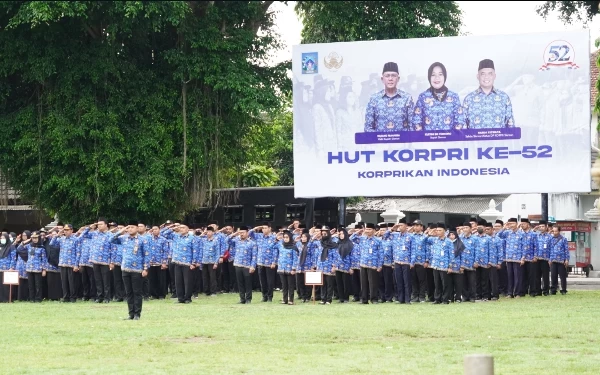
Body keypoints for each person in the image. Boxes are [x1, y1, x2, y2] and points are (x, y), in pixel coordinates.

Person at [111, 223, 149, 320]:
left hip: (137, 269)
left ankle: (137, 314)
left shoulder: (142, 239)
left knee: (137, 292)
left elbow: (147, 255)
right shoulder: (124, 238)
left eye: (132, 227)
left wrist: (145, 268)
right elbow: (111, 239)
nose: (130, 229)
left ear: (137, 228)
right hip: (125, 268)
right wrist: (122, 230)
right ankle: (131, 313)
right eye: (129, 227)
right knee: (128, 292)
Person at [462, 59, 515, 129]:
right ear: (478, 76)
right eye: (483, 74)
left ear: (494, 76)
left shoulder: (504, 97)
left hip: (499, 140)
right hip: (475, 140)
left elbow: (510, 124)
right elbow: (463, 125)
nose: (486, 77)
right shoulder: (469, 99)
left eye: (490, 74)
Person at [411, 62, 465, 131]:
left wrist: (451, 138)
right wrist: (423, 138)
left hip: (449, 140)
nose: (437, 78)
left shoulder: (453, 96)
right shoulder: (423, 97)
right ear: (429, 77)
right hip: (427, 140)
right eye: (433, 75)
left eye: (440, 74)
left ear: (444, 76)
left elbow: (460, 120)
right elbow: (416, 121)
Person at [364, 62, 414, 132]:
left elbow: (412, 127)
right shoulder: (374, 99)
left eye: (393, 75)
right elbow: (368, 128)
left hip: (402, 142)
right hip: (379, 142)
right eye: (387, 76)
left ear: (398, 79)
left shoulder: (407, 98)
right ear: (382, 79)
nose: (390, 79)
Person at [49, 224, 87, 303]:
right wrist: (57, 235)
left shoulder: (75, 239)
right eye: (65, 230)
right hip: (63, 263)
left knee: (72, 282)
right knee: (64, 281)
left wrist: (76, 265)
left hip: (71, 264)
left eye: (67, 230)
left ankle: (73, 297)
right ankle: (65, 297)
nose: (65, 231)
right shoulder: (62, 239)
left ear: (71, 230)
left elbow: (78, 253)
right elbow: (51, 244)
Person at [352, 223, 383, 304]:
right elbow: (352, 238)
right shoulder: (362, 239)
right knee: (363, 283)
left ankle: (374, 299)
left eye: (369, 229)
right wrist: (359, 231)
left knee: (373, 283)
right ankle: (364, 299)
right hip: (363, 263)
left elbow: (381, 253)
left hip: (373, 264)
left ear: (373, 230)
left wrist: (380, 265)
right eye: (367, 229)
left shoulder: (378, 240)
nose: (368, 231)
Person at [249, 223, 277, 303]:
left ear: (270, 228)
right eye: (263, 228)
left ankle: (269, 296)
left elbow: (275, 250)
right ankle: (264, 296)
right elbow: (250, 233)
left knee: (270, 281)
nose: (263, 229)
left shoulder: (273, 237)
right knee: (262, 281)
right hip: (260, 262)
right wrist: (257, 227)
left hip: (269, 262)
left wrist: (274, 262)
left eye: (265, 228)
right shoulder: (259, 236)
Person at [229, 226, 258, 304]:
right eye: (240, 232)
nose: (241, 234)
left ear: (247, 233)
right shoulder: (236, 241)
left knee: (248, 283)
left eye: (243, 232)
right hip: (238, 264)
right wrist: (235, 234)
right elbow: (227, 240)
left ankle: (248, 299)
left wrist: (253, 266)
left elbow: (254, 256)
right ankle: (242, 299)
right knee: (240, 283)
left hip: (247, 265)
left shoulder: (252, 243)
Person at [17, 231, 48, 303]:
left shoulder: (42, 248)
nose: (34, 239)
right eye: (33, 238)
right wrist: (26, 241)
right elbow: (19, 249)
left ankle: (38, 298)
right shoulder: (29, 246)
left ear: (39, 238)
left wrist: (44, 269)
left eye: (36, 238)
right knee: (30, 284)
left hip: (38, 268)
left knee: (38, 285)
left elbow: (44, 259)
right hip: (29, 268)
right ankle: (32, 298)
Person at [426, 223, 453, 304]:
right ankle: (437, 299)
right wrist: (429, 233)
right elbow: (424, 241)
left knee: (445, 283)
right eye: (437, 230)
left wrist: (450, 266)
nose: (438, 232)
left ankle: (445, 299)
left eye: (440, 230)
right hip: (435, 265)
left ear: (445, 231)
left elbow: (451, 255)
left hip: (444, 265)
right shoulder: (434, 240)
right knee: (437, 283)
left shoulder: (448, 241)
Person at [498, 218, 524, 298]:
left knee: (517, 276)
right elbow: (498, 236)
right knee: (509, 276)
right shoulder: (507, 233)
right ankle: (510, 293)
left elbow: (524, 246)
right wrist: (504, 227)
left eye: (512, 223)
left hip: (517, 258)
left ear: (516, 224)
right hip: (508, 258)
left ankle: (517, 293)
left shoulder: (521, 234)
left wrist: (523, 257)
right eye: (510, 224)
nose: (511, 225)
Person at [315, 226, 341, 305]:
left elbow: (336, 256)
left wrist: (334, 266)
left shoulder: (333, 243)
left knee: (330, 284)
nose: (324, 234)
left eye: (325, 233)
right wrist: (317, 266)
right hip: (321, 266)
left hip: (329, 266)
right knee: (322, 284)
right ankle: (323, 299)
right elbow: (317, 255)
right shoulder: (320, 243)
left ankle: (328, 299)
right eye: (322, 233)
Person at [390, 219, 412, 304]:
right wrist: (393, 229)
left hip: (406, 262)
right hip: (397, 261)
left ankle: (407, 299)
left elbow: (413, 249)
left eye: (401, 225)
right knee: (398, 281)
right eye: (399, 225)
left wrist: (412, 262)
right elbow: (385, 235)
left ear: (406, 226)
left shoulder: (410, 236)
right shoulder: (395, 235)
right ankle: (400, 298)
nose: (400, 227)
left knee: (406, 281)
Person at [274, 230, 298, 305]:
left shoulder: (293, 247)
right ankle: (284, 299)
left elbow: (295, 259)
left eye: (287, 237)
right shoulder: (280, 245)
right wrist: (277, 239)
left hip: (290, 268)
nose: (285, 239)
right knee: (284, 285)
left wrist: (294, 269)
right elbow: (271, 246)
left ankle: (291, 300)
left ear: (290, 238)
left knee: (290, 285)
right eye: (284, 237)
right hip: (281, 267)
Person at [147, 226, 169, 299]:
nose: (154, 231)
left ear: (159, 230)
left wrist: (164, 262)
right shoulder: (148, 239)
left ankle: (161, 294)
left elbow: (166, 251)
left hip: (160, 262)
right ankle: (153, 294)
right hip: (151, 262)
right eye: (153, 230)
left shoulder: (163, 240)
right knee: (152, 279)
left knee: (161, 279)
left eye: (156, 229)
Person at [409, 220, 428, 303]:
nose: (416, 227)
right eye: (415, 225)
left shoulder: (425, 237)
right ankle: (414, 296)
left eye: (418, 225)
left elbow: (427, 249)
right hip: (412, 262)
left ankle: (422, 296)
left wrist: (427, 260)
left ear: (421, 227)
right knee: (413, 280)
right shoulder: (410, 236)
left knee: (422, 280)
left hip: (421, 261)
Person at [334, 228, 354, 304]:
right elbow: (335, 255)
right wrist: (334, 265)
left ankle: (346, 298)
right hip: (338, 266)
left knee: (346, 283)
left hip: (346, 266)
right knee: (339, 283)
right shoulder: (338, 243)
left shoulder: (349, 244)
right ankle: (341, 297)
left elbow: (352, 256)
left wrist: (351, 267)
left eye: (342, 234)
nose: (341, 235)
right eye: (340, 234)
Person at [549, 226, 569, 295]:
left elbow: (566, 250)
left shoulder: (563, 239)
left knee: (562, 276)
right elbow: (550, 250)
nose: (554, 233)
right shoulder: (551, 239)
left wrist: (566, 259)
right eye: (553, 231)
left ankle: (563, 289)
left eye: (556, 231)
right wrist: (550, 259)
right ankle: (553, 289)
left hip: (561, 260)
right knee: (553, 276)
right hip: (553, 260)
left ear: (559, 231)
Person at [534, 221, 552, 296]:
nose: (541, 228)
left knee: (545, 276)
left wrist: (550, 259)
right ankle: (538, 291)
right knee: (537, 276)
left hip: (545, 259)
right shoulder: (536, 236)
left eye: (543, 226)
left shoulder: (550, 237)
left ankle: (546, 291)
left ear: (546, 227)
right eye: (540, 226)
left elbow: (552, 248)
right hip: (537, 258)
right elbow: (534, 246)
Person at [0, 233, 17, 302]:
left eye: (3, 238)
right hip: (0, 268)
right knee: (1, 285)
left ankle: (7, 299)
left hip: (7, 268)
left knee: (6, 285)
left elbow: (13, 258)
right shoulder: (1, 247)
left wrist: (12, 267)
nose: (2, 239)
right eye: (1, 238)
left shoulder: (11, 247)